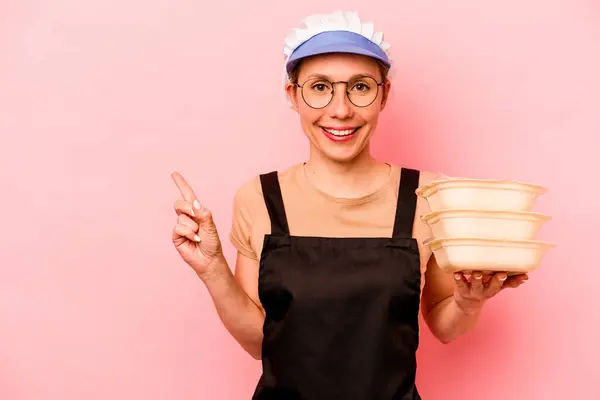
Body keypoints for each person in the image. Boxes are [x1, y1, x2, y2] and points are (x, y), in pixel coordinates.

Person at [170, 11, 529, 399]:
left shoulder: (428, 196)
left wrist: (468, 300)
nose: (340, 110)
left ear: (384, 94)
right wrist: (212, 269)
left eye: (360, 87)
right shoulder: (259, 198)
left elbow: (445, 327)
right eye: (320, 87)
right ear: (293, 95)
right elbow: (262, 343)